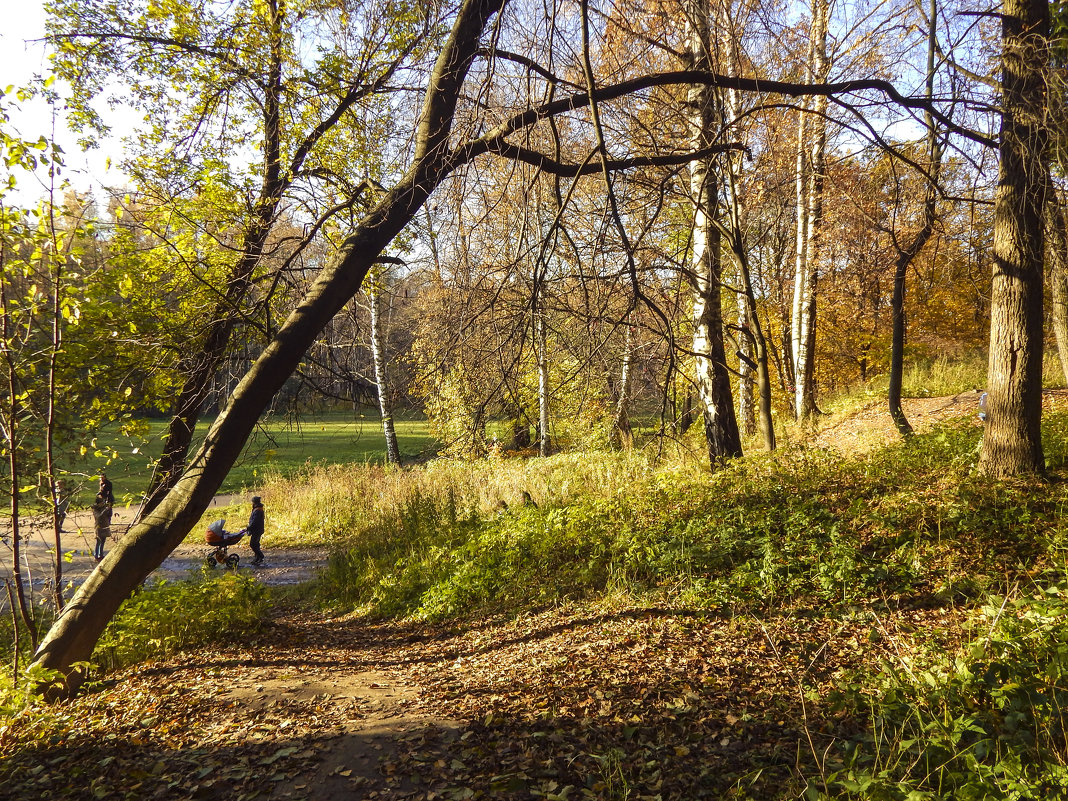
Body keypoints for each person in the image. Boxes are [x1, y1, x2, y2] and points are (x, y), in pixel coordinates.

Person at [91, 491, 112, 562]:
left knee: (103, 541)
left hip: (105, 526)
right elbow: (98, 516)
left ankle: (101, 554)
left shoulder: (104, 508)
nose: (103, 504)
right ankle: (96, 555)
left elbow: (109, 515)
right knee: (98, 542)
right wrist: (104, 510)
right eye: (102, 503)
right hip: (99, 527)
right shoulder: (95, 509)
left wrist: (109, 509)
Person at [244, 496, 265, 566]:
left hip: (257, 530)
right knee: (256, 544)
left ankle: (260, 556)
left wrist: (249, 527)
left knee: (253, 544)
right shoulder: (258, 509)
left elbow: (255, 521)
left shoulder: (257, 510)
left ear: (254, 502)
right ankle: (257, 558)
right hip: (258, 529)